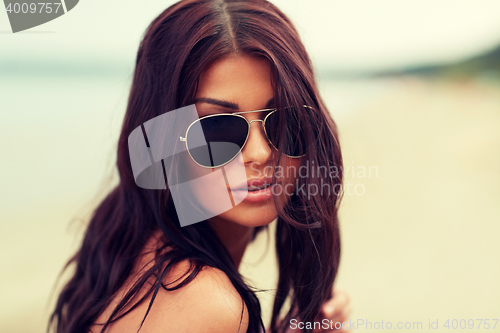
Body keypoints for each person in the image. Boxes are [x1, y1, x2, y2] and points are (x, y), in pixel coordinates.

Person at [49, 0, 351, 332]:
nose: (261, 153)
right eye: (216, 129)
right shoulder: (207, 303)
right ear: (162, 141)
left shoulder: (126, 236)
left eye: (283, 122)